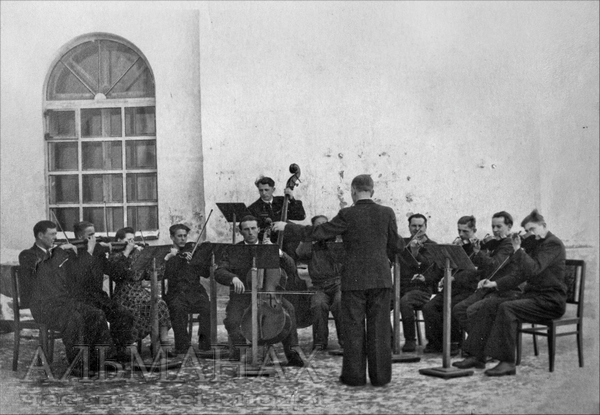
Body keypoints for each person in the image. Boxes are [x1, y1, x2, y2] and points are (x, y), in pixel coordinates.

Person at [273, 174, 404, 387]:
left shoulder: (347, 214)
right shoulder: (387, 212)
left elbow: (320, 231)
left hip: (354, 279)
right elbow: (396, 245)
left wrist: (287, 227)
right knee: (379, 329)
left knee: (354, 328)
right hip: (380, 278)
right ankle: (380, 377)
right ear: (372, 191)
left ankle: (354, 377)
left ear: (353, 191)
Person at [455, 210, 567, 376]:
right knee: (489, 304)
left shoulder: (553, 244)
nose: (529, 234)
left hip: (550, 300)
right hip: (533, 297)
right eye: (527, 230)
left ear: (543, 226)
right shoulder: (536, 244)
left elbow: (534, 269)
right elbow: (520, 274)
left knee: (507, 308)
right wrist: (495, 284)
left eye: (532, 229)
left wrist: (518, 249)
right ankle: (477, 356)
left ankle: (507, 362)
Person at [18, 221, 112, 370]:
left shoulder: (59, 254)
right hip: (43, 307)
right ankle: (78, 365)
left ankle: (101, 360)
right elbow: (43, 269)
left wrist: (86, 253)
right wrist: (60, 252)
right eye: (52, 234)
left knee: (97, 314)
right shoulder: (27, 255)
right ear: (40, 235)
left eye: (56, 234)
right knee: (74, 318)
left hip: (63, 303)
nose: (55, 238)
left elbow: (79, 275)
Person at [214, 215, 305, 366]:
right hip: (243, 296)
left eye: (253, 228)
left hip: (269, 296)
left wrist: (278, 252)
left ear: (258, 230)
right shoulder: (233, 250)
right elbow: (219, 271)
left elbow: (291, 268)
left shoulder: (270, 248)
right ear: (240, 232)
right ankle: (239, 349)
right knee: (232, 320)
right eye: (246, 229)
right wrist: (233, 278)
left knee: (289, 309)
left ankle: (292, 352)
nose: (250, 232)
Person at [67, 221, 135, 359]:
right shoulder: (72, 252)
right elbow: (79, 278)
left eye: (95, 234)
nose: (94, 238)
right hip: (80, 298)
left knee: (123, 313)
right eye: (90, 235)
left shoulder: (98, 251)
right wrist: (89, 252)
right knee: (98, 316)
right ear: (80, 237)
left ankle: (119, 350)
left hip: (98, 296)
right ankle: (103, 356)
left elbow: (114, 272)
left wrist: (125, 254)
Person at [452, 211, 518, 339]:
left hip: (502, 290)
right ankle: (480, 341)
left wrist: (478, 252)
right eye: (493, 226)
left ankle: (481, 342)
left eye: (499, 227)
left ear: (509, 227)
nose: (495, 230)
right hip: (486, 288)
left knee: (471, 310)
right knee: (459, 309)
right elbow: (479, 266)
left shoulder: (509, 244)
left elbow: (495, 265)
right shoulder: (495, 243)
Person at [421, 215, 479, 354]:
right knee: (429, 307)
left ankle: (454, 342)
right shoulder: (457, 246)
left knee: (452, 307)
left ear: (474, 230)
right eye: (459, 231)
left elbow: (475, 272)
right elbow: (442, 267)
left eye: (465, 231)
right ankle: (436, 343)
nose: (461, 234)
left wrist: (454, 278)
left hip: (468, 290)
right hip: (452, 289)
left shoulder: (478, 248)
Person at [108, 227, 172, 349]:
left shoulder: (137, 253)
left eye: (133, 240)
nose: (132, 243)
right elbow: (118, 273)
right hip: (124, 295)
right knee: (144, 308)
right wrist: (128, 251)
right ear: (119, 240)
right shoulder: (115, 256)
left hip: (139, 292)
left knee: (159, 303)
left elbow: (151, 275)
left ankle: (163, 342)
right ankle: (130, 344)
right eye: (129, 240)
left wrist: (159, 259)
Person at [295, 215, 344, 351]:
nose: (322, 227)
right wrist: (309, 238)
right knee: (318, 305)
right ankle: (320, 342)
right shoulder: (310, 243)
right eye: (318, 225)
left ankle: (345, 341)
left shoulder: (336, 241)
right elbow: (300, 253)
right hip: (318, 286)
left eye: (325, 224)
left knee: (340, 303)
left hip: (338, 284)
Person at [163, 224, 212, 354]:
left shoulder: (193, 251)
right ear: (172, 237)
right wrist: (175, 258)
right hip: (176, 291)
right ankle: (182, 345)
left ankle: (204, 343)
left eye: (185, 236)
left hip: (195, 290)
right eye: (179, 236)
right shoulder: (168, 254)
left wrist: (199, 260)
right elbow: (165, 274)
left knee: (207, 308)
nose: (183, 239)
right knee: (178, 309)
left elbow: (205, 273)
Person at [397, 213, 442, 353]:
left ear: (425, 227)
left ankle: (410, 340)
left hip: (422, 289)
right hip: (402, 287)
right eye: (413, 226)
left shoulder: (433, 246)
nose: (417, 229)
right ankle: (389, 339)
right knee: (380, 300)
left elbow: (432, 267)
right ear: (409, 227)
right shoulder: (403, 245)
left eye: (420, 226)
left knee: (405, 302)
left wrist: (416, 253)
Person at [247, 176, 306, 254]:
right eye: (261, 190)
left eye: (266, 190)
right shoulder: (253, 208)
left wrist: (292, 199)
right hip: (267, 244)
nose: (263, 193)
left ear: (273, 189)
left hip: (286, 243)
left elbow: (300, 216)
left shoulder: (282, 201)